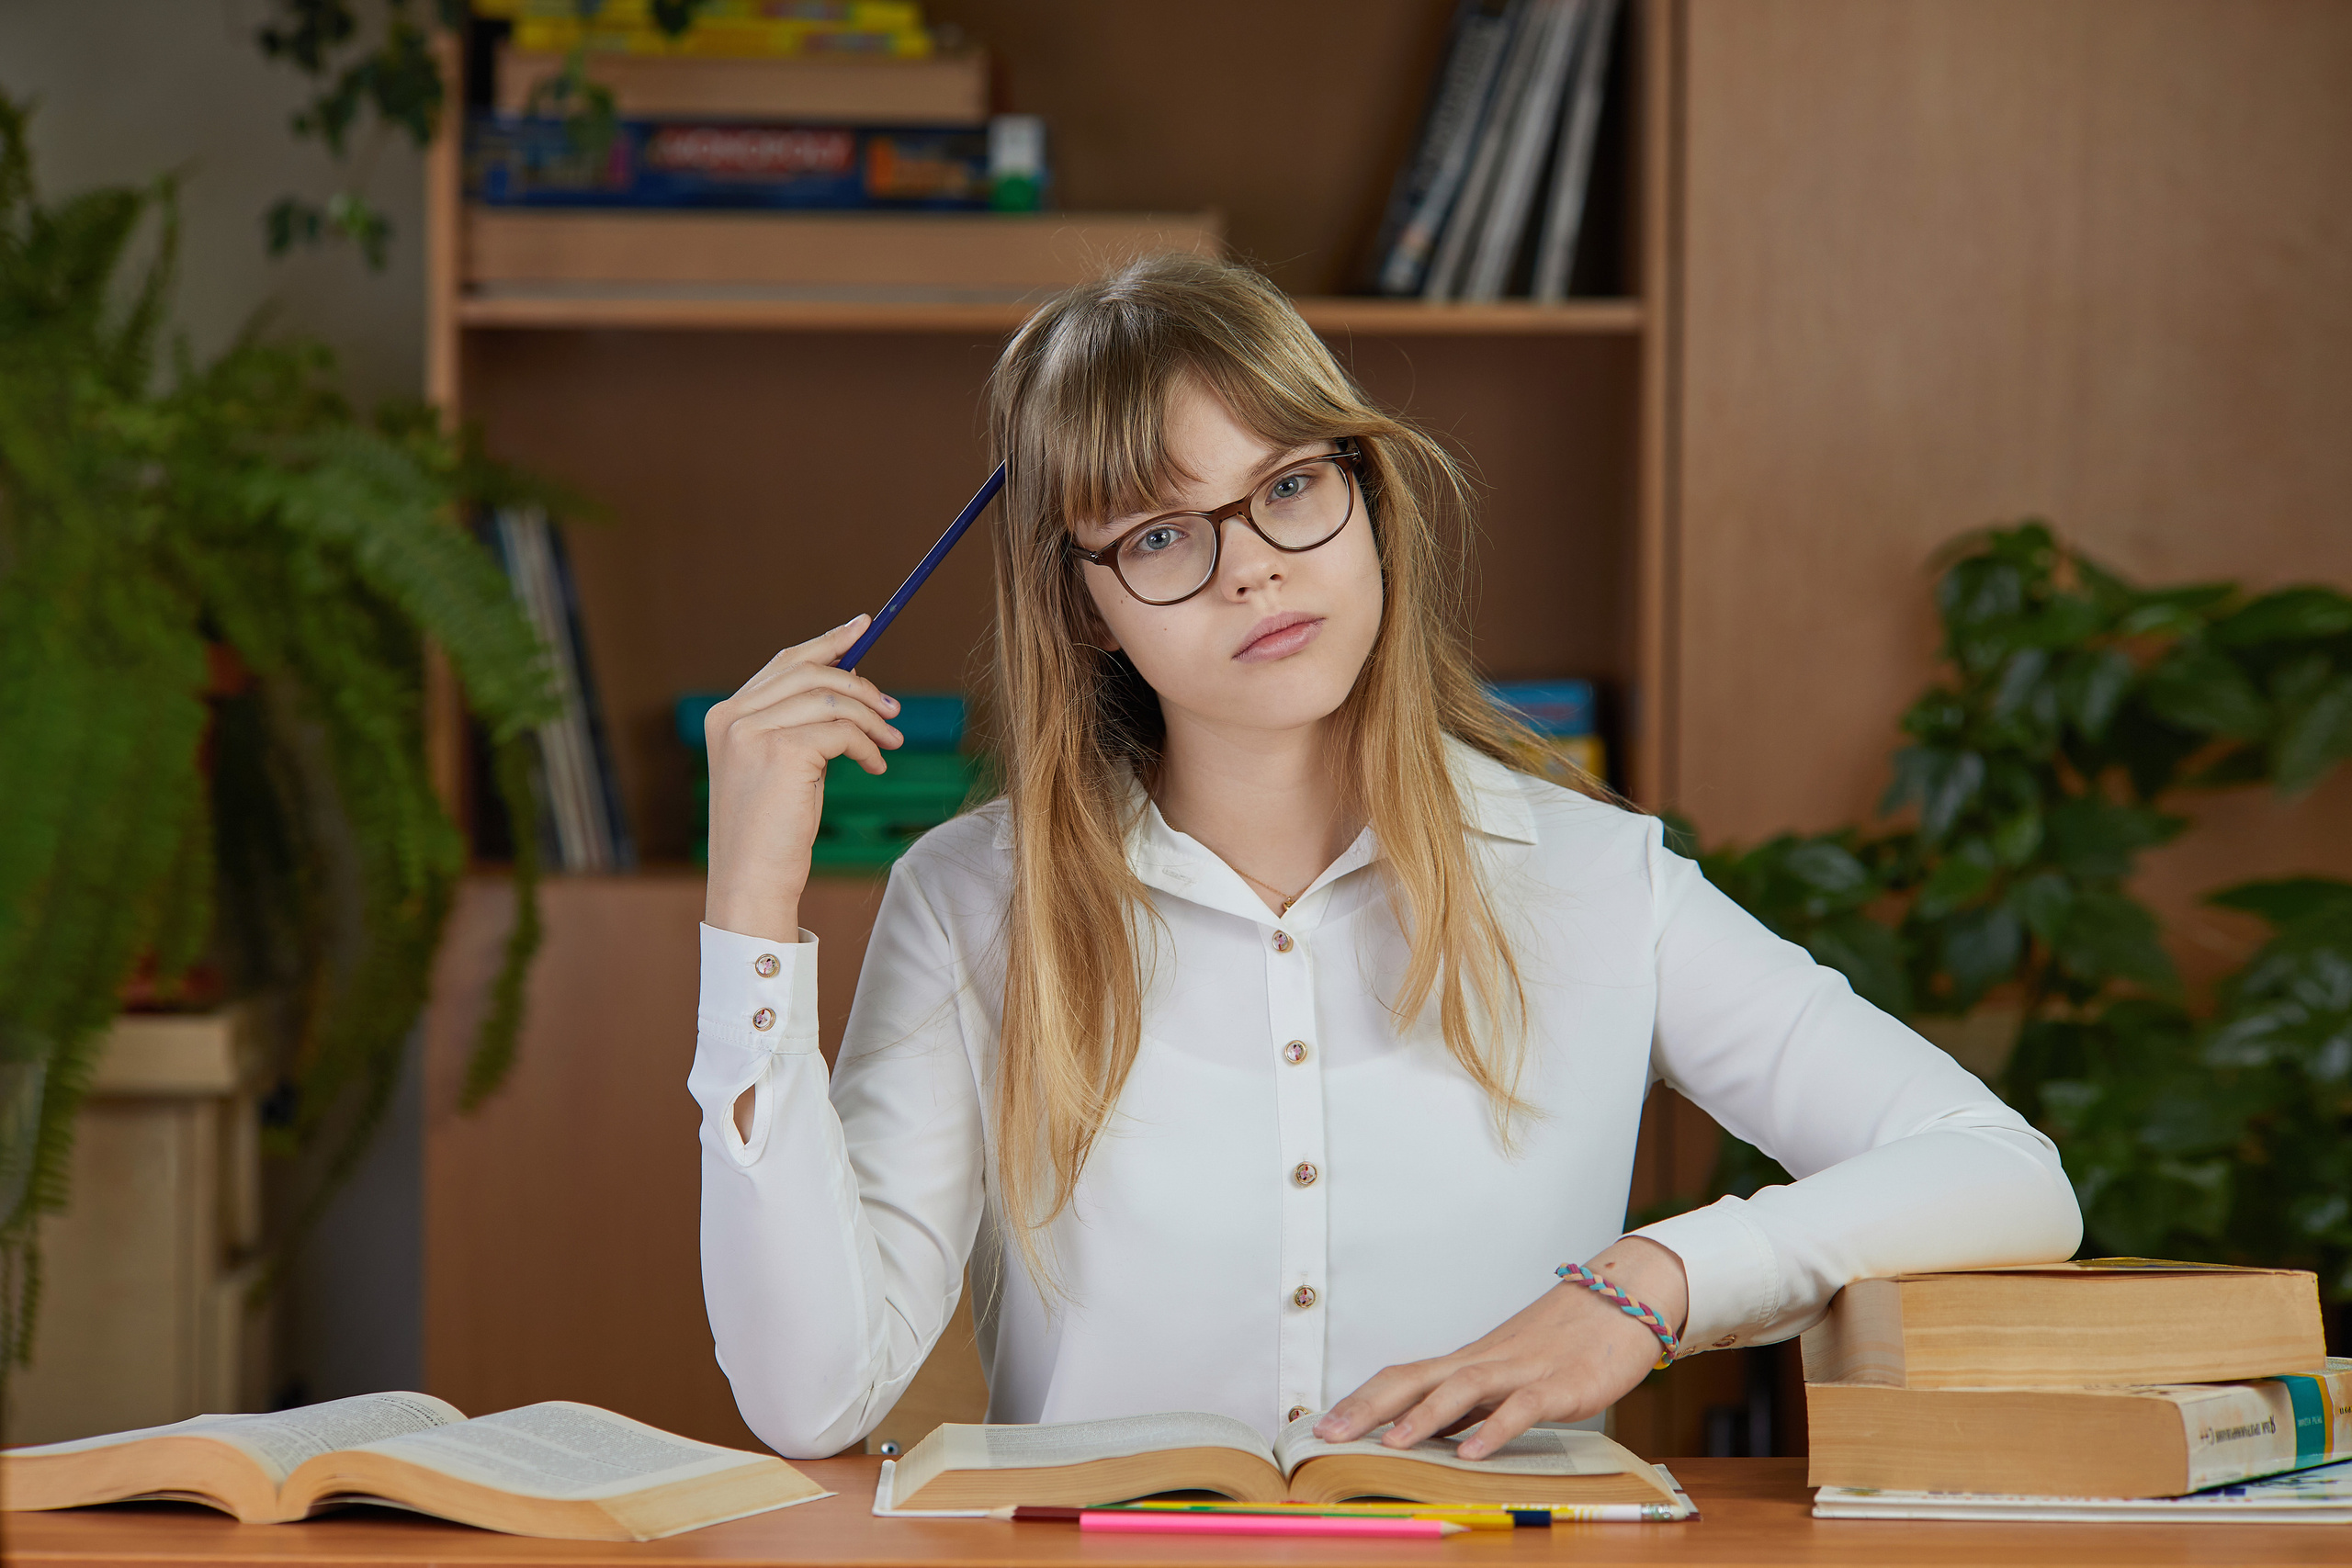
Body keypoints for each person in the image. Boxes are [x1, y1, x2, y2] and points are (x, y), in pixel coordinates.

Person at [689, 254, 2081, 1462]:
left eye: (1290, 485)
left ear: (1367, 498)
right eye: (1164, 533)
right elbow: (812, 1396)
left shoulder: (1596, 879)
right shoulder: (973, 898)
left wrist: (1650, 1282)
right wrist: (753, 909)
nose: (1252, 569)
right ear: (1087, 606)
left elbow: (2004, 1171)